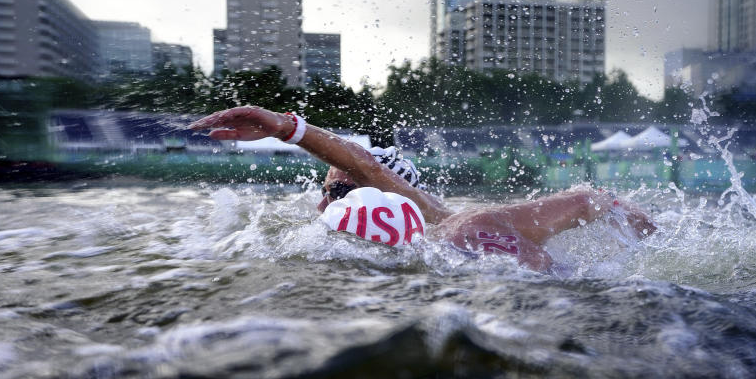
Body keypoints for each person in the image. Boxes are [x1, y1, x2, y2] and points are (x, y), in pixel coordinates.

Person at [188, 106, 656, 273]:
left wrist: (288, 128)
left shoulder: (464, 229)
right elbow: (596, 199)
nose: (322, 205)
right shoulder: (457, 233)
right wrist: (657, 237)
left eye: (334, 192)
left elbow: (364, 164)